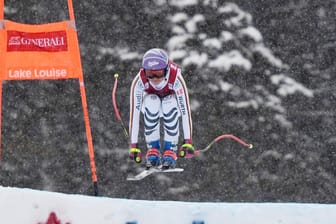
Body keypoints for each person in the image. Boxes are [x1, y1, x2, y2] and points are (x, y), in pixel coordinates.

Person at [129, 48, 194, 169]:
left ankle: (170, 150)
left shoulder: (175, 77)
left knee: (168, 102)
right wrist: (134, 145)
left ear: (166, 69)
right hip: (151, 109)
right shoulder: (139, 81)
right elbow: (135, 114)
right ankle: (153, 149)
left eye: (158, 73)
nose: (154, 78)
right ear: (144, 71)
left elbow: (186, 111)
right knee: (151, 100)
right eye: (150, 74)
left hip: (172, 108)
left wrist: (188, 141)